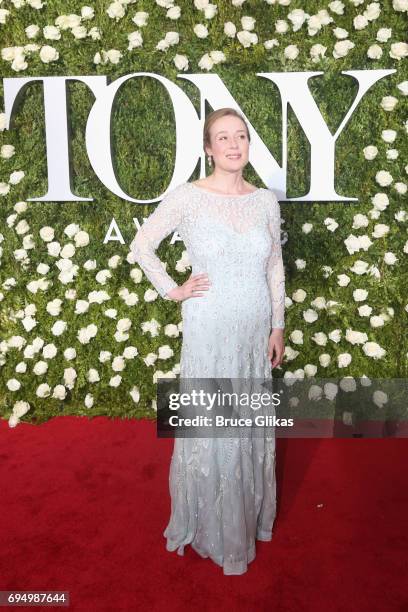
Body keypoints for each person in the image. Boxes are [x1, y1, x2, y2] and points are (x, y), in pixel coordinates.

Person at [131, 107, 285, 575]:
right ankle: (212, 526)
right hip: (209, 329)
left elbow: (273, 265)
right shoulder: (188, 198)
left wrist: (278, 323)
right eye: (223, 137)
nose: (234, 144)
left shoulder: (264, 201)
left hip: (254, 329)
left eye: (240, 135)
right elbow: (142, 245)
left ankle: (247, 519)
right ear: (208, 147)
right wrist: (173, 289)